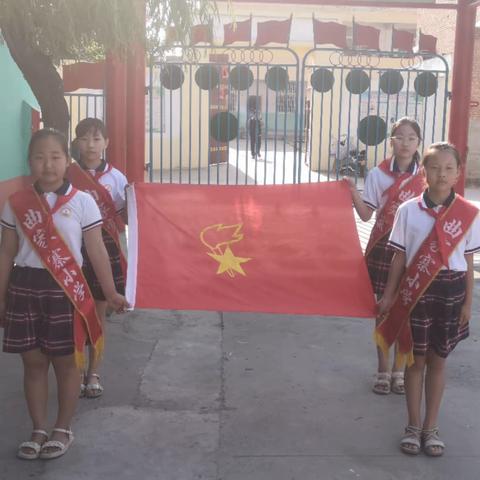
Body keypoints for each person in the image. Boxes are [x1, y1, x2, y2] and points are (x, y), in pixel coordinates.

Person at [0, 128, 129, 460]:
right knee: (32, 363)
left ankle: (62, 427)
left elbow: (96, 250)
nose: (48, 165)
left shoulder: (83, 202)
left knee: (66, 364)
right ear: (30, 162)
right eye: (40, 158)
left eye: (55, 157)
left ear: (67, 161)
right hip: (25, 287)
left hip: (66, 290)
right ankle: (38, 428)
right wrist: (1, 297)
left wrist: (112, 292)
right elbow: (6, 252)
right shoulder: (17, 203)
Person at [377, 142, 480, 457]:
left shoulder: (468, 213)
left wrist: (467, 304)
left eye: (449, 168)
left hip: (451, 293)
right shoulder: (408, 210)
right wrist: (390, 295)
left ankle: (430, 428)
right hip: (417, 292)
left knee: (438, 359)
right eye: (435, 168)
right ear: (424, 171)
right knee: (415, 360)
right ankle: (412, 425)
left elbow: (468, 262)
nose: (442, 174)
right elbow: (399, 258)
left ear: (459, 172)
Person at [346, 117, 425, 395]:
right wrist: (351, 191)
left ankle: (400, 370)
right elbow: (366, 214)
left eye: (411, 137)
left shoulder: (426, 176)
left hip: (416, 250)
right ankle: (382, 368)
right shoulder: (377, 175)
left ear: (418, 143)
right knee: (382, 308)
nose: (405, 143)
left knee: (409, 309)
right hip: (383, 247)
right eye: (399, 137)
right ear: (391, 141)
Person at [67, 118, 128, 399]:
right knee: (75, 312)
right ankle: (76, 371)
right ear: (76, 142)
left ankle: (93, 371)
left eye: (96, 139)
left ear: (106, 143)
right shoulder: (66, 174)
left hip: (105, 249)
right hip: (71, 248)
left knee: (99, 313)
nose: (90, 145)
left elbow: (125, 218)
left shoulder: (117, 179)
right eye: (84, 138)